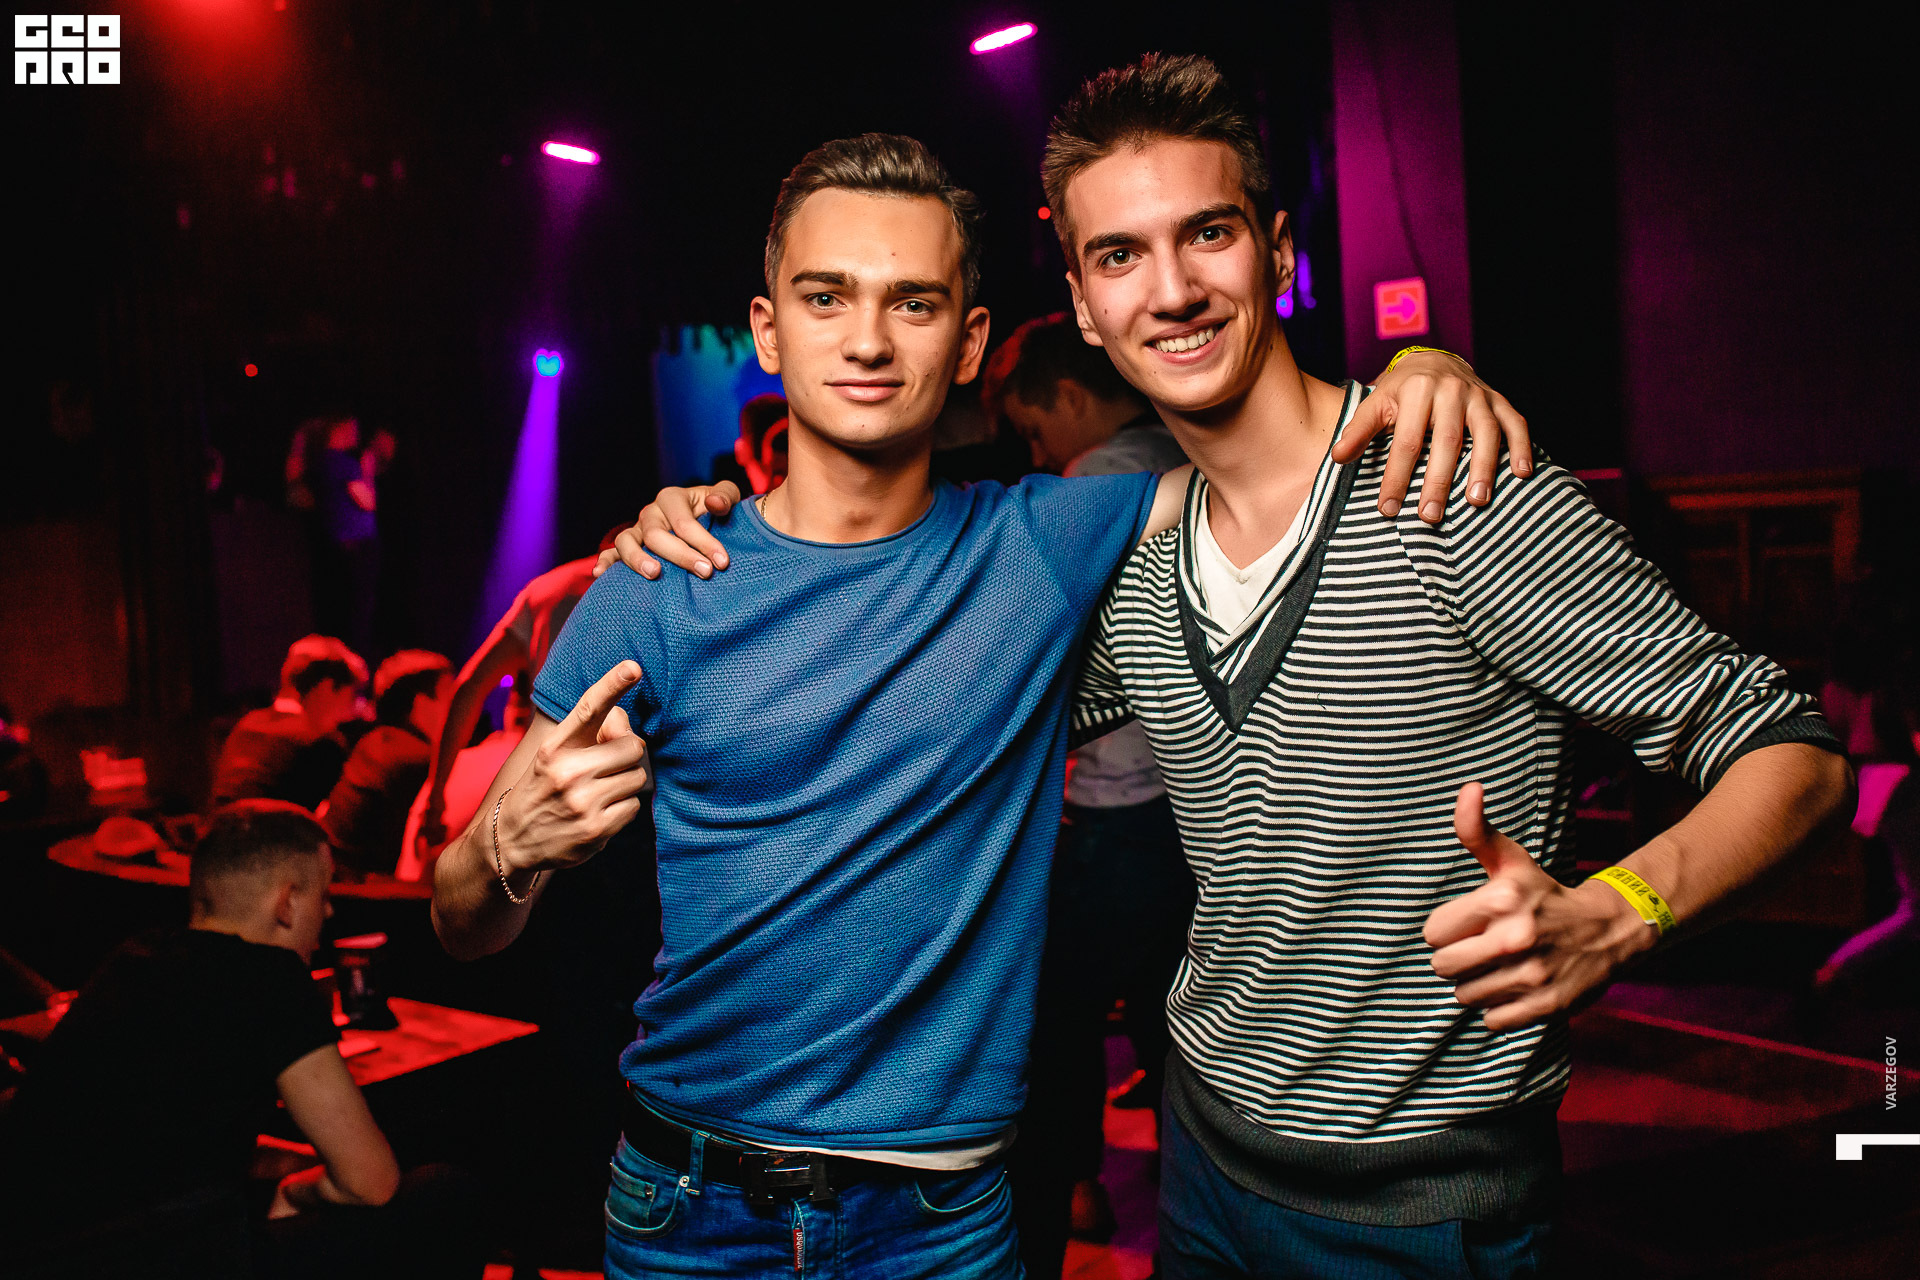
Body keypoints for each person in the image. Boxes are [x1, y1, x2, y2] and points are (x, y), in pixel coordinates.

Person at [437, 132, 1529, 1279]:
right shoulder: (660, 579)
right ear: (769, 329)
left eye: (912, 302)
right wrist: (504, 852)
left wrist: (1422, 364)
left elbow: (1285, 455)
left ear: (967, 343)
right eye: (827, 297)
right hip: (688, 1203)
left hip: (940, 1223)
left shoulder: (1041, 544)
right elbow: (465, 925)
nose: (867, 339)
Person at [1023, 55, 1850, 1278]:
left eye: (1209, 233)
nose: (1175, 288)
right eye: (1120, 255)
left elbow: (1796, 753)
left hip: (1420, 1212)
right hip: (1201, 1168)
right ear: (1086, 305)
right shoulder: (1136, 559)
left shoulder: (1454, 493)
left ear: (1279, 252)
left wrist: (1621, 911)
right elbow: (934, 687)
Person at [0, 802, 480, 1280]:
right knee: (442, 1193)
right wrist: (295, 1190)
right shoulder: (269, 978)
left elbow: (149, 1139)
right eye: (323, 894)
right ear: (287, 902)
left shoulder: (132, 960)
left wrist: (288, 1162)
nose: (329, 911)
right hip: (154, 1257)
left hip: (36, 1252)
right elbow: (370, 1183)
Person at [983, 312, 1195, 1271]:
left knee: (1053, 1020)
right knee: (1169, 1013)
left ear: (1069, 397)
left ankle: (1065, 1195)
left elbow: (1037, 658)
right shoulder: (1188, 454)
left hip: (1115, 806)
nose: (1037, 452)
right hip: (1193, 807)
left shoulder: (1097, 482)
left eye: (1035, 429)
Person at [417, 541, 627, 852]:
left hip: (545, 785)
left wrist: (436, 798)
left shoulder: (549, 589)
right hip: (627, 789)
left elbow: (470, 688)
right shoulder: (666, 583)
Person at [324, 650, 453, 876]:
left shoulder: (372, 743)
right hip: (369, 891)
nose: (458, 708)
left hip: (335, 879)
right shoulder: (420, 761)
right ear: (422, 702)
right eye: (451, 697)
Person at [211, 635, 367, 811]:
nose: (351, 712)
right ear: (327, 687)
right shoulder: (321, 742)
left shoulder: (246, 726)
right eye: (352, 696)